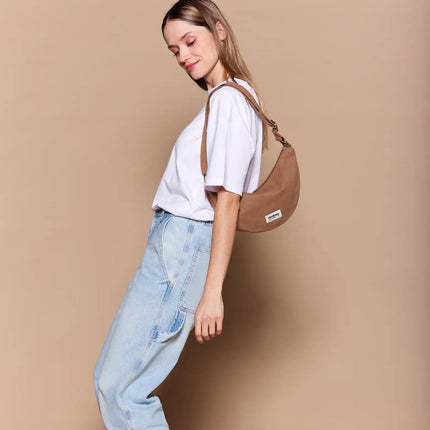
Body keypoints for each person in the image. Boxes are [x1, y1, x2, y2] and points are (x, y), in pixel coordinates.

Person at [93, 1, 271, 428]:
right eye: (174, 50)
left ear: (219, 30)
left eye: (190, 41)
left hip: (184, 246)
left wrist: (213, 292)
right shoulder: (223, 99)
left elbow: (228, 200)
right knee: (114, 383)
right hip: (174, 245)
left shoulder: (230, 101)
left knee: (121, 388)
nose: (183, 56)